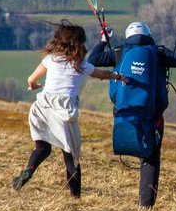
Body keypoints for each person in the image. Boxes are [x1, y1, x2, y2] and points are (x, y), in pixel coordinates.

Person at [11, 20, 125, 198]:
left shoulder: (50, 59)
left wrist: (34, 86)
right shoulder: (81, 64)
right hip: (63, 110)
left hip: (41, 106)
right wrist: (118, 76)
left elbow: (31, 79)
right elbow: (102, 74)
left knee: (42, 148)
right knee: (71, 156)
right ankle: (75, 197)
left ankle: (29, 169)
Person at [88, 20, 176, 207]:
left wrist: (104, 40)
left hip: (123, 111)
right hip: (152, 115)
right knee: (150, 157)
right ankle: (145, 205)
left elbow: (93, 61)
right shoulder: (159, 53)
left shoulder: (119, 52)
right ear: (148, 35)